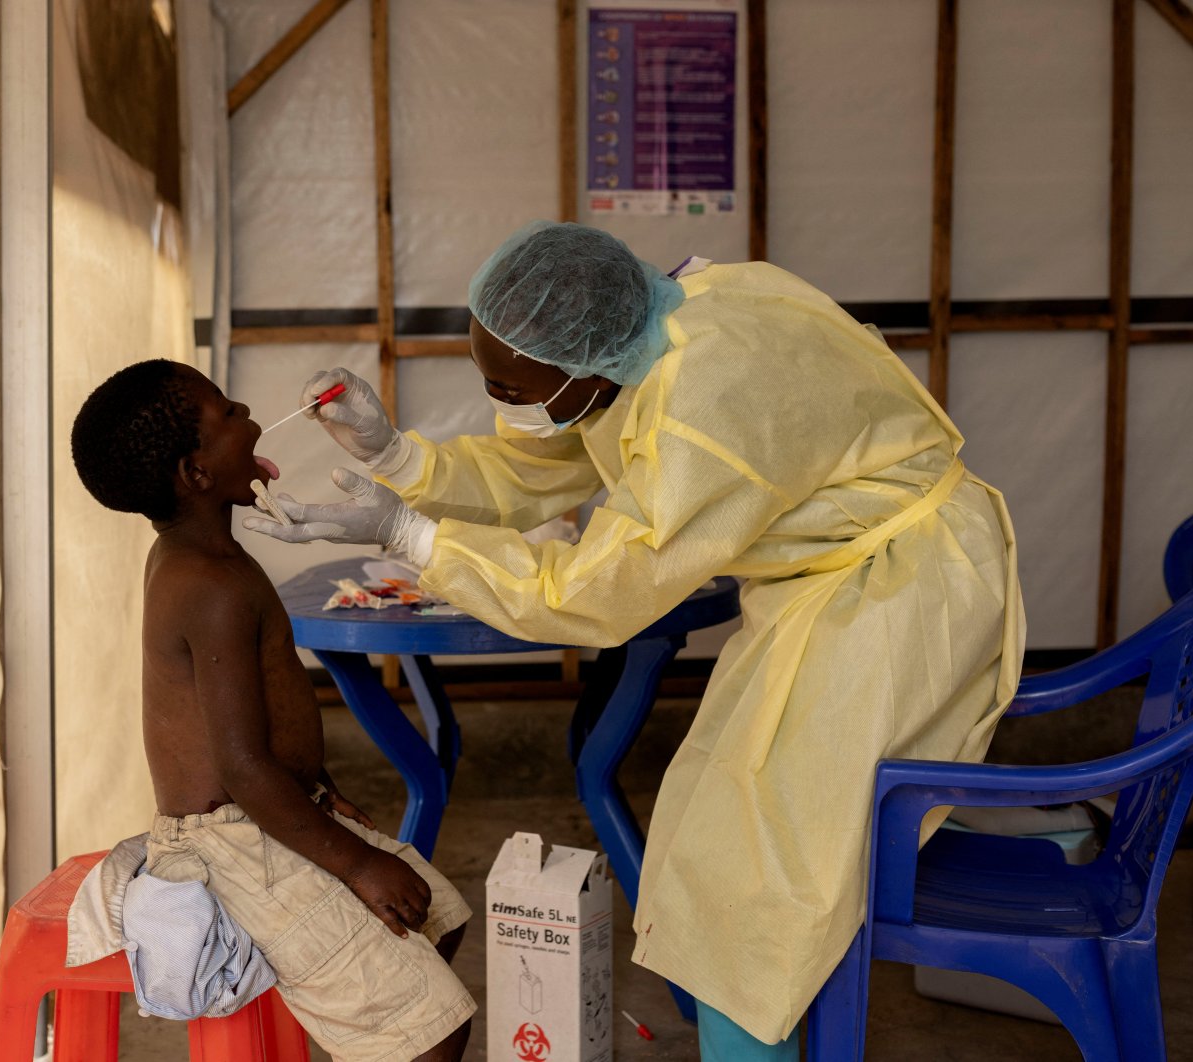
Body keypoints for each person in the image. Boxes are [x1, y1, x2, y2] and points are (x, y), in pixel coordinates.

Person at [245, 222, 1026, 1057]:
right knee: (713, 841)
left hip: (898, 594)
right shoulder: (659, 326)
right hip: (837, 585)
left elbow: (595, 594)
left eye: (512, 385)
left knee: (762, 885)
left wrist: (413, 537)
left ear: (584, 365)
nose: (501, 399)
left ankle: (761, 1032)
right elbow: (546, 465)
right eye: (490, 380)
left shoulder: (705, 407)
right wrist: (399, 457)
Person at [69, 359, 474, 1062]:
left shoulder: (199, 555)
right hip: (236, 843)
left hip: (265, 809)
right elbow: (243, 766)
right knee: (433, 1036)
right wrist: (356, 866)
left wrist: (319, 791)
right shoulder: (211, 585)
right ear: (196, 474)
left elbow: (250, 738)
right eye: (228, 412)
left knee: (435, 917)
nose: (248, 407)